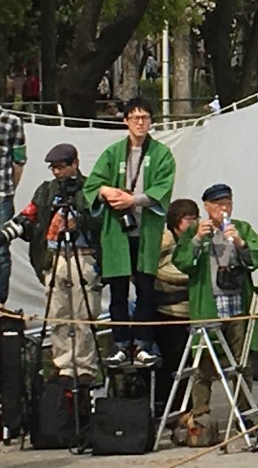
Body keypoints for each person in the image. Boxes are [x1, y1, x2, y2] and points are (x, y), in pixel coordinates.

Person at [83, 96, 176, 365]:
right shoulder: (113, 152)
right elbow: (92, 184)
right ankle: (121, 343)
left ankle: (144, 344)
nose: (140, 122)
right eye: (134, 117)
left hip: (145, 231)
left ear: (151, 121)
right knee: (118, 290)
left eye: (145, 117)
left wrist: (133, 200)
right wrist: (106, 190)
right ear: (125, 121)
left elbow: (163, 187)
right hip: (117, 232)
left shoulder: (161, 154)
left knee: (146, 289)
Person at [173, 184, 258, 418]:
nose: (224, 208)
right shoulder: (196, 230)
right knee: (203, 364)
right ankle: (201, 416)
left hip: (236, 305)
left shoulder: (241, 228)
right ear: (207, 206)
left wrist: (240, 243)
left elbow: (256, 256)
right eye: (219, 204)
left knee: (242, 363)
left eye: (228, 203)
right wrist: (195, 240)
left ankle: (243, 413)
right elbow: (181, 262)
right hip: (208, 305)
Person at [15, 144, 101, 385]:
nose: (57, 172)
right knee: (58, 312)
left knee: (83, 312)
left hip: (84, 254)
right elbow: (30, 215)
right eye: (53, 167)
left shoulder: (91, 188)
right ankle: (63, 365)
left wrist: (79, 221)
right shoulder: (45, 191)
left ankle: (84, 366)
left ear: (75, 163)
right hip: (55, 256)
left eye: (61, 167)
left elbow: (101, 219)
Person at [154, 198, 198, 413]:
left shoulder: (195, 240)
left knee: (187, 361)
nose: (192, 223)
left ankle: (185, 406)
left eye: (194, 218)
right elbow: (160, 270)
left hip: (189, 309)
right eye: (187, 218)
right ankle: (170, 407)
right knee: (172, 360)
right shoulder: (165, 240)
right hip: (167, 311)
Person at [0, 105, 26, 308]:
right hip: (5, 191)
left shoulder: (13, 121)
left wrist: (11, 190)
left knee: (1, 248)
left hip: (2, 194)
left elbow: (19, 161)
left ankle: (0, 303)